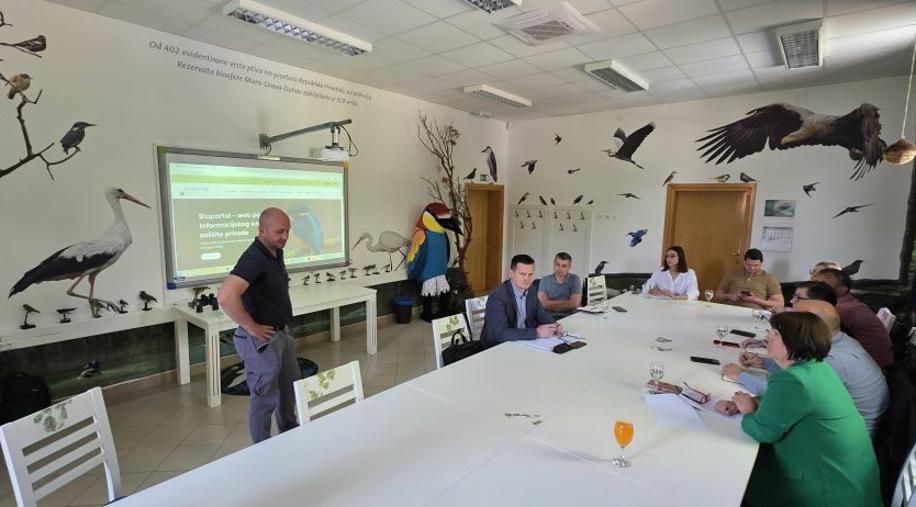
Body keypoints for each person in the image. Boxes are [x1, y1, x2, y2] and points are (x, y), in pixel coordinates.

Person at [716, 312, 882, 506]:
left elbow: (762, 432)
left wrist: (747, 411)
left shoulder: (793, 379)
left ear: (793, 342)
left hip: (826, 492)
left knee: (728, 474)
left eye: (775, 333)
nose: (768, 337)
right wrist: (750, 402)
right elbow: (790, 402)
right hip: (850, 483)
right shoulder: (817, 367)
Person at [723, 300, 889, 436]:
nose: (768, 336)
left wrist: (743, 385)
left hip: (835, 438)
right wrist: (766, 363)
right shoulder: (836, 344)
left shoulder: (834, 360)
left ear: (807, 327)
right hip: (833, 430)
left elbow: (783, 398)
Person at [217, 208, 300, 443]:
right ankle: (262, 449)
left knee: (290, 388)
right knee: (264, 399)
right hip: (261, 341)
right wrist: (252, 327)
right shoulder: (254, 258)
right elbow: (226, 296)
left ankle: (290, 435)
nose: (285, 237)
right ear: (262, 231)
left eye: (287, 231)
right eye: (279, 232)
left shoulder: (275, 251)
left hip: (280, 335)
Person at [812, 268, 893, 369]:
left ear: (841, 289)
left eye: (822, 285)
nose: (813, 288)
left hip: (873, 367)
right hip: (872, 364)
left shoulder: (842, 309)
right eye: (814, 283)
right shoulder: (848, 304)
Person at [481, 254, 561, 348]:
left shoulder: (531, 289)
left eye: (530, 274)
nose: (527, 279)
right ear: (511, 274)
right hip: (497, 347)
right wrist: (536, 333)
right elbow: (500, 334)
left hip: (521, 342)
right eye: (522, 274)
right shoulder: (497, 297)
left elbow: (541, 313)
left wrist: (554, 325)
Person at [713, 248, 783, 310]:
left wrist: (755, 300)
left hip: (753, 312)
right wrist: (729, 296)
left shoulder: (769, 278)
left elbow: (779, 304)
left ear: (761, 263)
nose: (752, 268)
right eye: (748, 265)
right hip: (731, 308)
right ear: (744, 262)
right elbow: (717, 296)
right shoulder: (731, 274)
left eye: (756, 265)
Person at [537, 252, 582, 319]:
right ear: (554, 264)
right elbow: (543, 304)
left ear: (569, 267)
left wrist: (550, 304)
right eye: (557, 264)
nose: (560, 269)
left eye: (564, 266)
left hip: (571, 317)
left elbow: (574, 303)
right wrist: (568, 303)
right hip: (550, 318)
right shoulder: (544, 280)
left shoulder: (575, 279)